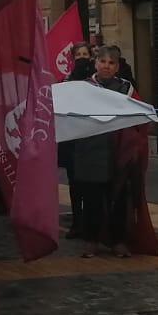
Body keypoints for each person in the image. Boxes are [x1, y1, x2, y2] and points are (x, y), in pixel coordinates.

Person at [72, 46, 158, 259]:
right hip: (91, 152)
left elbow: (139, 119)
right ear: (96, 63)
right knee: (92, 200)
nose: (106, 66)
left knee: (119, 199)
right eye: (103, 62)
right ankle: (91, 240)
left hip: (118, 153)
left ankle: (118, 241)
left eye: (111, 63)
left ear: (117, 66)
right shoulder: (84, 88)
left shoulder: (126, 89)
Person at [60, 41, 94, 237]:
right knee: (74, 184)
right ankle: (77, 221)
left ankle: (91, 222)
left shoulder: (94, 81)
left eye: (84, 54)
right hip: (73, 141)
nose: (82, 58)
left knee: (90, 184)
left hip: (90, 140)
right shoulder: (66, 80)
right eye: (78, 55)